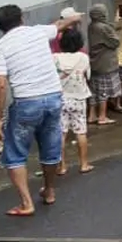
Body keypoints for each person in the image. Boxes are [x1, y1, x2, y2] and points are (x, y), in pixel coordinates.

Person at [0, 4, 82, 217]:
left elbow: (0, 83)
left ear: (0, 26)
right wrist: (76, 17)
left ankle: (26, 203)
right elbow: (60, 24)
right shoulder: (39, 32)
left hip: (26, 102)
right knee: (51, 146)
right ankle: (49, 191)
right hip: (53, 97)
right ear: (22, 18)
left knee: (14, 154)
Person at [54, 28, 94, 175]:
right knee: (81, 132)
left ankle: (61, 166)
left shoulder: (55, 58)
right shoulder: (83, 58)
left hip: (60, 99)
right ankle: (84, 164)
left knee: (61, 134)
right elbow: (88, 76)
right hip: (79, 98)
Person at [87, 4, 121, 125]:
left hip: (94, 63)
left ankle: (92, 115)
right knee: (104, 91)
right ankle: (102, 116)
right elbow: (115, 42)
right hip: (105, 64)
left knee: (94, 90)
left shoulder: (91, 26)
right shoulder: (103, 28)